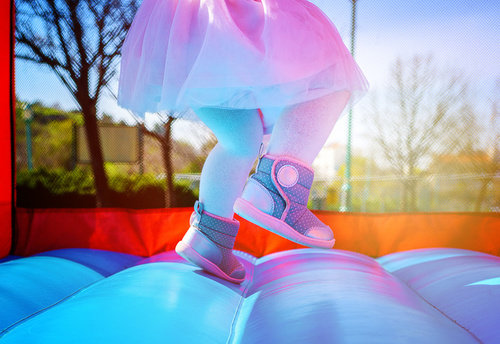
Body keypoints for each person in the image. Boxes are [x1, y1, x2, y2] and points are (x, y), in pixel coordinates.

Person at [117, 0, 368, 283]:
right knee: (329, 74)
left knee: (241, 139)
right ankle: (278, 191)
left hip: (187, 28)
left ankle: (210, 236)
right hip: (230, 14)